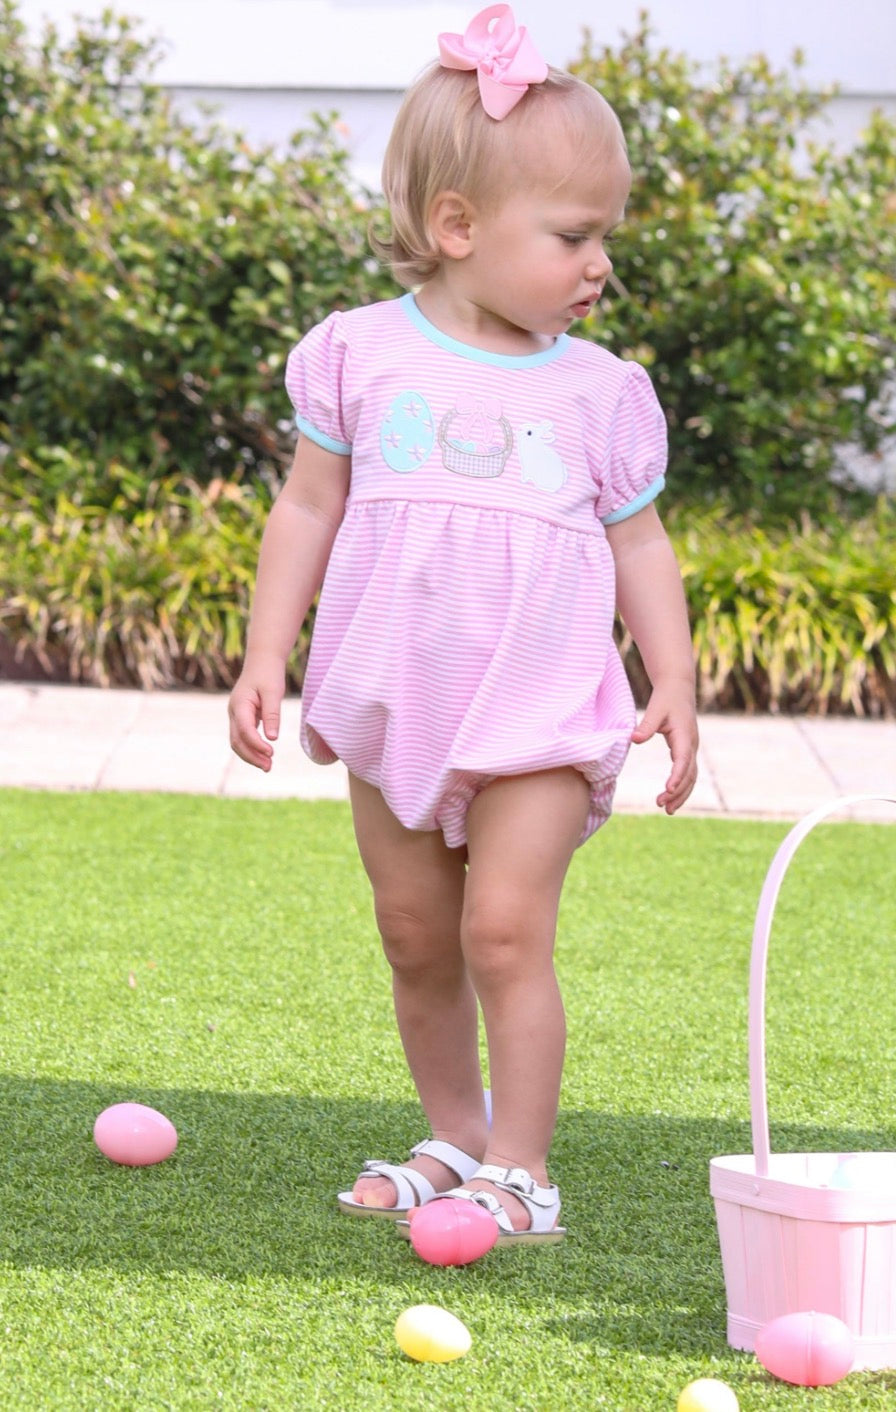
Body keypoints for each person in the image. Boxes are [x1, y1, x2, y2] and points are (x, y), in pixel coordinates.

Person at [228, 2, 699, 1244]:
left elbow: (639, 542)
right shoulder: (356, 355)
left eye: (606, 236)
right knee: (415, 934)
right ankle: (456, 1130)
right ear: (457, 226)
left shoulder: (600, 391)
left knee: (501, 929)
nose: (600, 264)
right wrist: (267, 651)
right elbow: (307, 506)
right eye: (575, 235)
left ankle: (522, 1168)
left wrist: (674, 676)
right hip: (394, 699)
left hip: (539, 708)